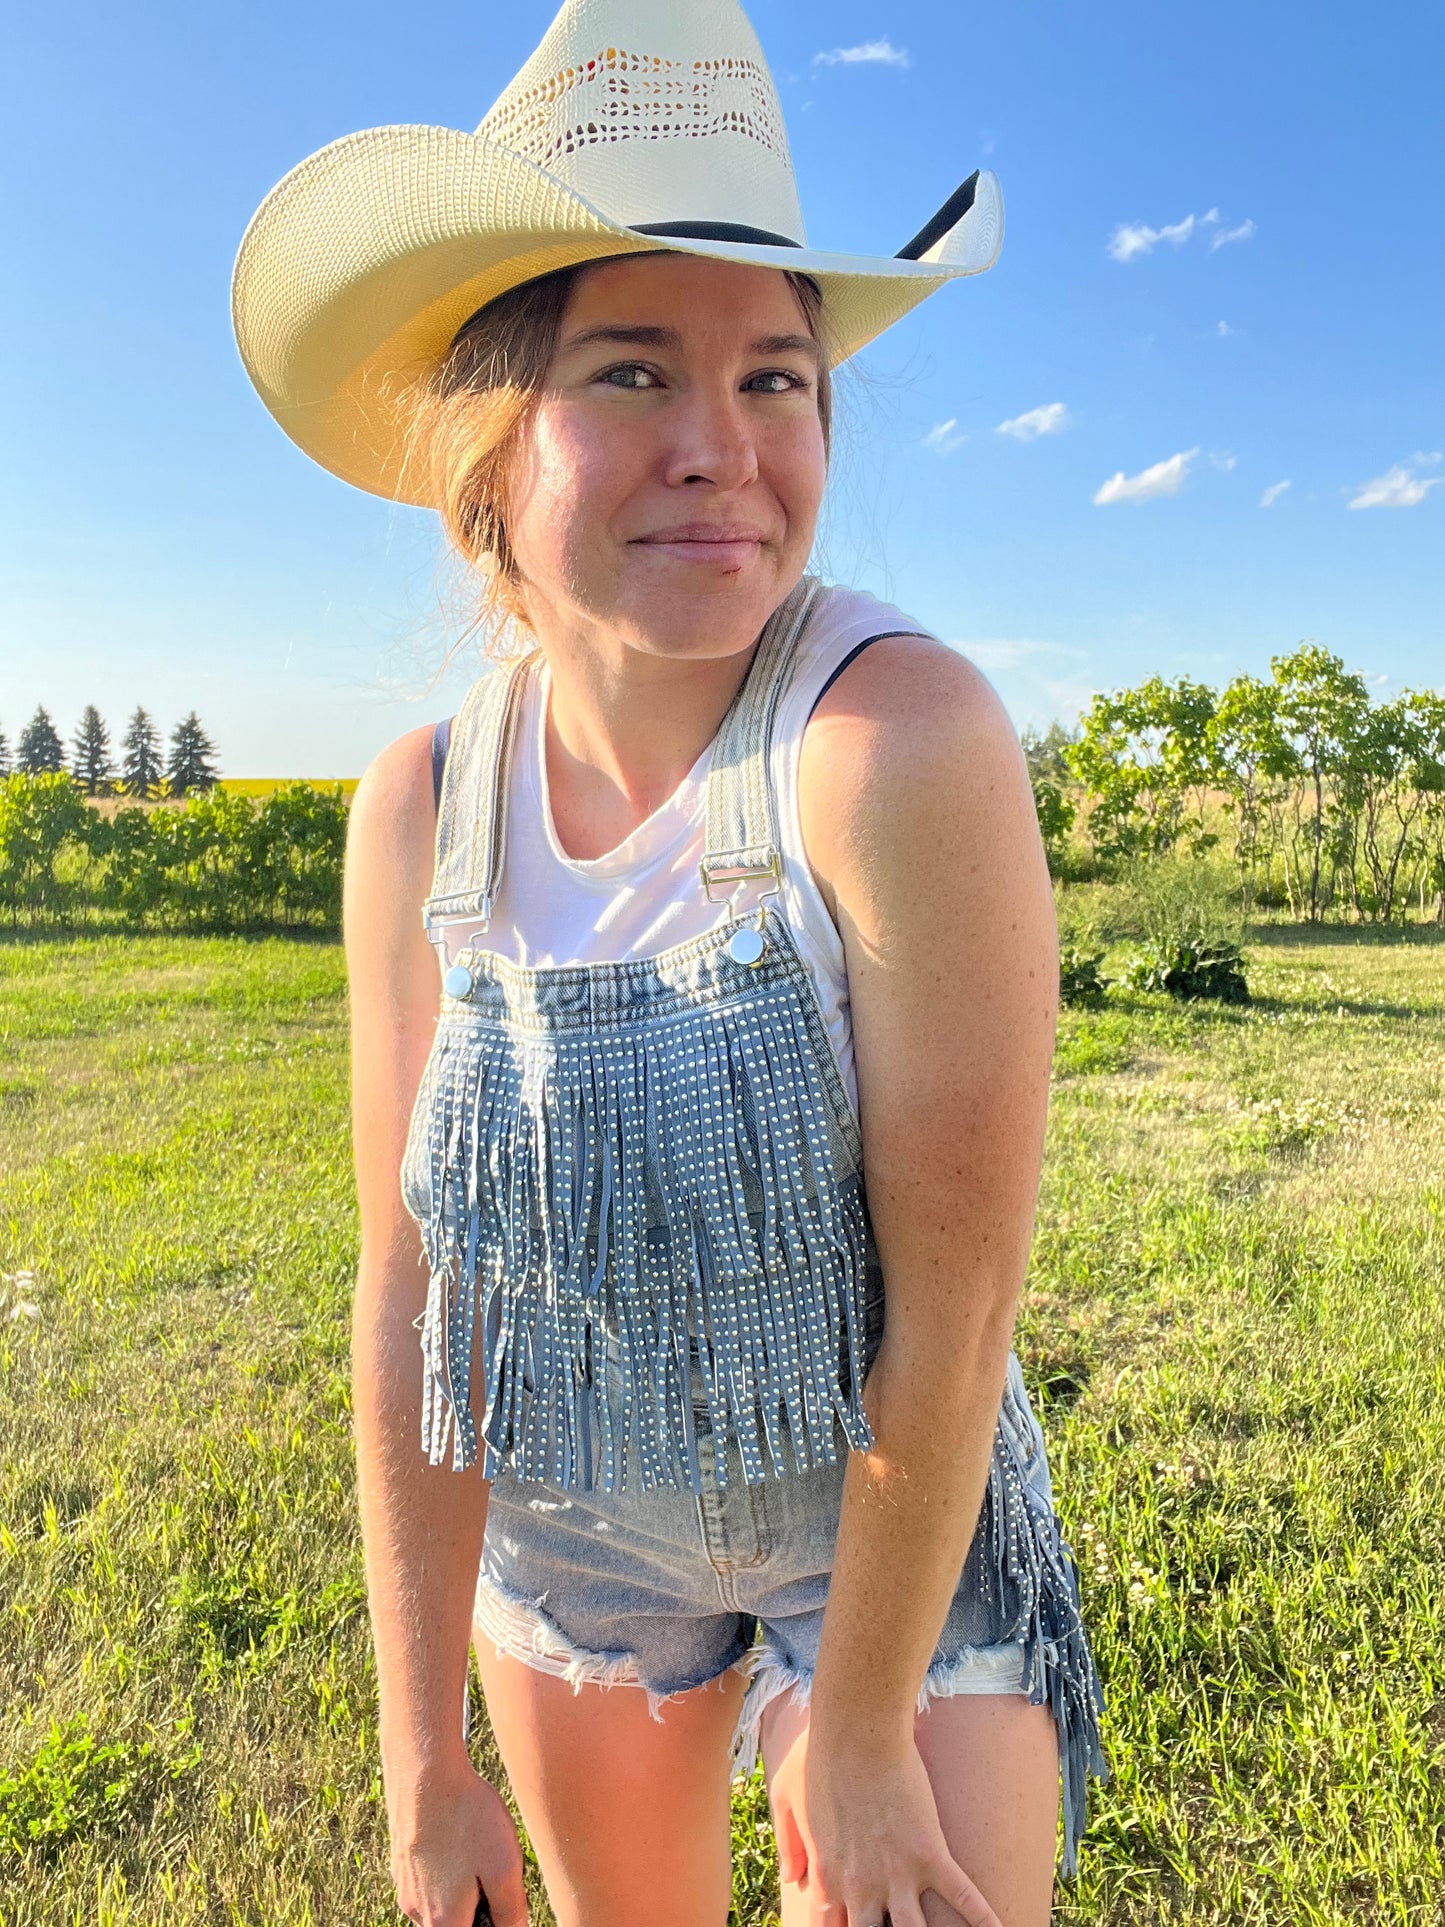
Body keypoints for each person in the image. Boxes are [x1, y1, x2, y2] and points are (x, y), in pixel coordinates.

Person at [231, 2, 1106, 1923]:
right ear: (486, 458)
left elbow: (951, 1308)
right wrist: (418, 1762)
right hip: (569, 1544)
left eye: (779, 381)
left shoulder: (893, 745)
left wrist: (864, 1736)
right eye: (631, 374)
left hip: (878, 1529)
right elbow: (411, 1290)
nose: (724, 451)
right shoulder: (421, 810)